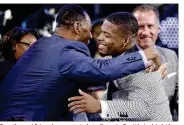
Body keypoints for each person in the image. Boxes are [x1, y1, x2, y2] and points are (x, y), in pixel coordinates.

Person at [0, 5, 159, 121]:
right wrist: (145, 55)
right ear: (77, 27)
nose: (91, 36)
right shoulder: (65, 49)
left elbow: (72, 103)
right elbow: (102, 69)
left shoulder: (44, 45)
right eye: (89, 29)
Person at [68, 12, 172, 121]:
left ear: (126, 40)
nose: (99, 37)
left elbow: (145, 109)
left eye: (106, 35)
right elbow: (121, 95)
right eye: (101, 32)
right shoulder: (121, 60)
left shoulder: (141, 68)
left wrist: (100, 106)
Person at [132, 4, 178, 120]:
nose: (145, 32)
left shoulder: (171, 56)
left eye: (150, 26)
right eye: (140, 27)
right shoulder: (116, 59)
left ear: (158, 29)